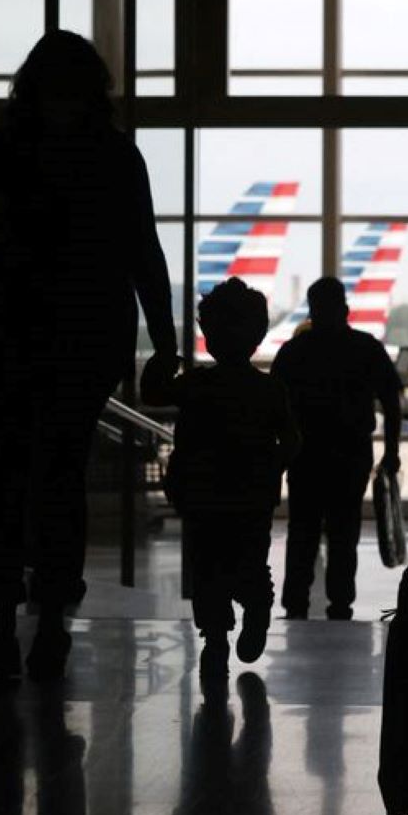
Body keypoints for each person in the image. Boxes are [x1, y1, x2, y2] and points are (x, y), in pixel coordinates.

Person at [0, 31, 177, 681]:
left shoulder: (2, 150)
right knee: (60, 480)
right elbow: (144, 253)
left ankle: (1, 625)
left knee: (2, 479)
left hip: (6, 332)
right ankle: (50, 621)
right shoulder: (115, 156)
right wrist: (162, 343)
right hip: (86, 336)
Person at [141, 278, 300, 681]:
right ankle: (256, 608)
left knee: (206, 567)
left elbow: (153, 395)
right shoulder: (268, 389)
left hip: (201, 496)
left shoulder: (196, 384)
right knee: (249, 562)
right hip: (250, 497)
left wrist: (162, 360)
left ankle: (215, 637)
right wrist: (271, 470)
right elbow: (292, 440)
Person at [270, 277, 402, 620]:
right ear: (345, 310)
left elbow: (273, 406)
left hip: (305, 454)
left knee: (303, 530)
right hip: (351, 454)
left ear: (311, 311)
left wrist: (278, 452)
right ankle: (340, 601)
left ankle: (296, 601)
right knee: (345, 531)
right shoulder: (367, 349)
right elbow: (391, 402)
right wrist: (391, 451)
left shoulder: (294, 352)